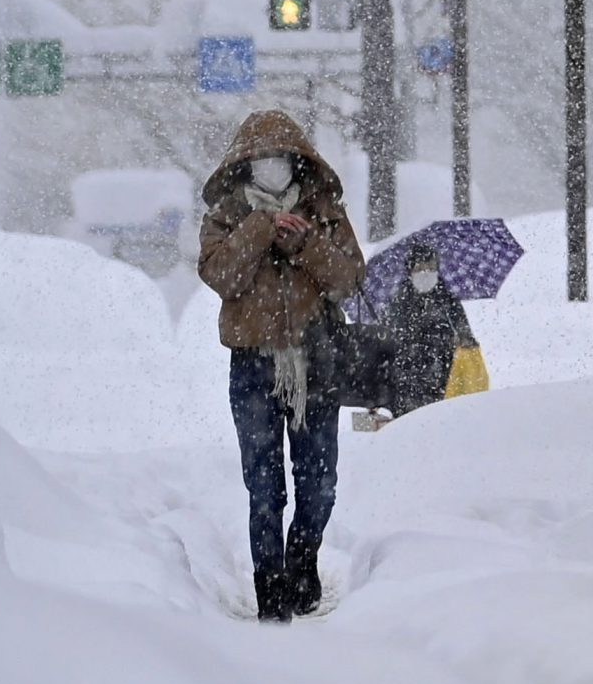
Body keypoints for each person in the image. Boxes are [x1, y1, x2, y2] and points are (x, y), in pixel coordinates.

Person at [197, 110, 365, 623]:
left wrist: (302, 240)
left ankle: (302, 565)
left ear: (298, 163)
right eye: (261, 160)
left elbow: (348, 278)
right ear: (245, 166)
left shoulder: (324, 210)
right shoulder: (227, 214)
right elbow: (220, 276)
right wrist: (259, 230)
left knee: (319, 483)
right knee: (264, 485)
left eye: (280, 160)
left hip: (315, 363)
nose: (272, 168)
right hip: (252, 367)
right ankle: (270, 590)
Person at [380, 240, 478, 416]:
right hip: (407, 385)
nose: (426, 272)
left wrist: (461, 340)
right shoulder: (399, 303)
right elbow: (390, 342)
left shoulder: (447, 299)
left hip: (446, 381)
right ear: (410, 272)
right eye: (420, 267)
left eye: (431, 267)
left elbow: (466, 336)